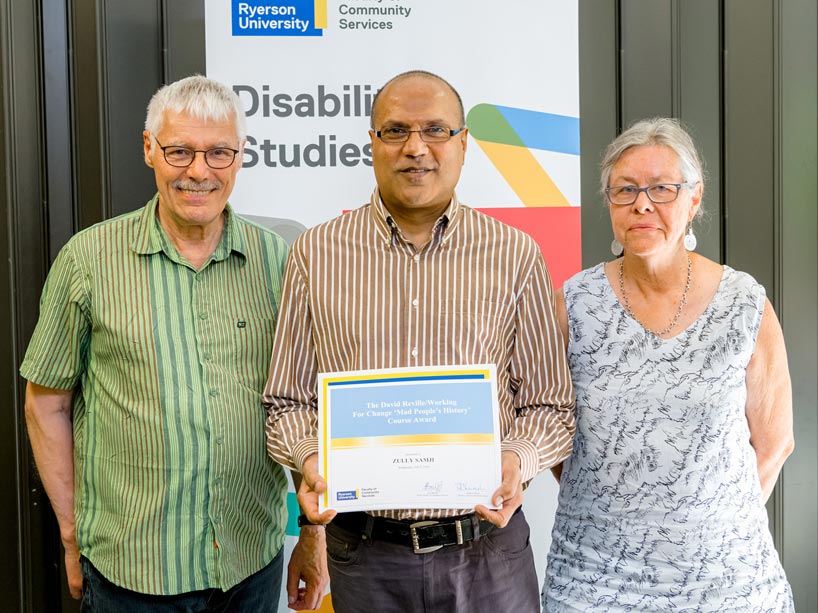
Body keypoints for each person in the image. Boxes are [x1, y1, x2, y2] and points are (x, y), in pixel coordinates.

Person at [263, 69, 575, 613]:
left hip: (487, 556)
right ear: (372, 142)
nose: (415, 148)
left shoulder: (515, 254)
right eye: (395, 131)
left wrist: (516, 459)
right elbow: (286, 401)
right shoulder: (316, 254)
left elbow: (551, 405)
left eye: (435, 130)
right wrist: (311, 457)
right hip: (365, 556)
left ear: (463, 144)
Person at [21, 75, 327, 612]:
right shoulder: (88, 260)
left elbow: (299, 404)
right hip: (131, 572)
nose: (199, 171)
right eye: (180, 151)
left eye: (218, 153)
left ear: (240, 155)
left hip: (250, 564)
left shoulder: (278, 261)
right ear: (149, 149)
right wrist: (70, 535)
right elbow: (47, 404)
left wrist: (312, 533)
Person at [543, 117, 794, 611]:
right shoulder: (572, 305)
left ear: (694, 199)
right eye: (625, 190)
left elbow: (775, 443)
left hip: (728, 583)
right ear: (609, 202)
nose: (642, 204)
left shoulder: (744, 303)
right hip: (594, 580)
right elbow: (552, 434)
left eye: (662, 188)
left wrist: (707, 524)